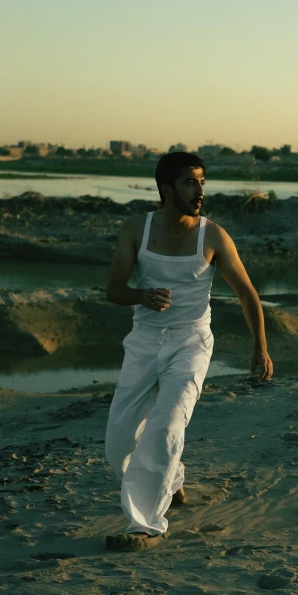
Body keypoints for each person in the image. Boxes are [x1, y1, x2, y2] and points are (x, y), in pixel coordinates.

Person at [103, 152, 273, 551]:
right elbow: (113, 290)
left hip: (191, 342)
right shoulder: (136, 230)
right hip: (144, 342)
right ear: (166, 190)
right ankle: (172, 478)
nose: (200, 191)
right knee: (118, 445)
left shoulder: (212, 236)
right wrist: (141, 296)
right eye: (190, 183)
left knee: (166, 427)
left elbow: (247, 294)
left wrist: (260, 347)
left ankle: (146, 526)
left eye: (201, 181)